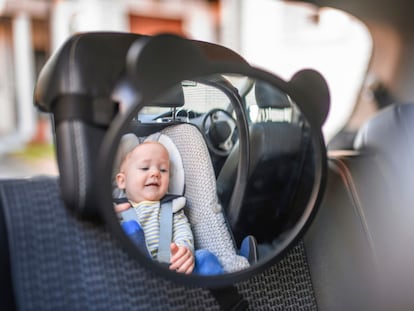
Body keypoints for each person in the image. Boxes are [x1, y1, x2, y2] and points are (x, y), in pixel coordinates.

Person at [115, 140, 195, 274]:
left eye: (163, 170)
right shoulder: (117, 209)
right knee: (129, 228)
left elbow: (183, 233)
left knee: (205, 257)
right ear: (122, 181)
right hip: (131, 268)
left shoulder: (172, 208)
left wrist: (184, 250)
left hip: (171, 267)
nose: (155, 173)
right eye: (145, 168)